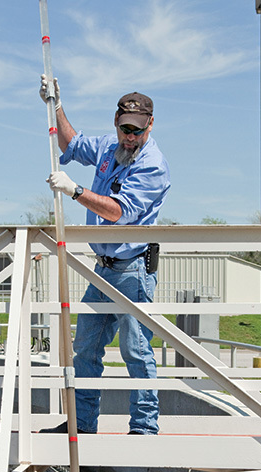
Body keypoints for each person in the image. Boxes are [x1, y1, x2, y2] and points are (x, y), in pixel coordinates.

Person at [40, 75, 170, 435]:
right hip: (102, 270)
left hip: (132, 271)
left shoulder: (153, 164)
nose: (130, 137)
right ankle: (82, 425)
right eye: (125, 129)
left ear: (150, 125)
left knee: (136, 350)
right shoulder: (108, 147)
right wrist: (56, 105)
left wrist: (75, 190)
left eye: (138, 130)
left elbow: (119, 212)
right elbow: (71, 143)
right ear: (116, 122)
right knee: (85, 349)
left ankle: (144, 430)